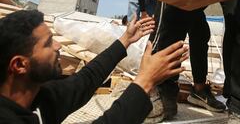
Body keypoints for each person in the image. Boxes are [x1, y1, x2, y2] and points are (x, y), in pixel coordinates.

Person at [0, 10, 188, 123]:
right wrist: (145, 81)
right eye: (48, 43)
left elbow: (85, 80)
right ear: (19, 65)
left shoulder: (36, 97)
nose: (57, 46)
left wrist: (126, 39)